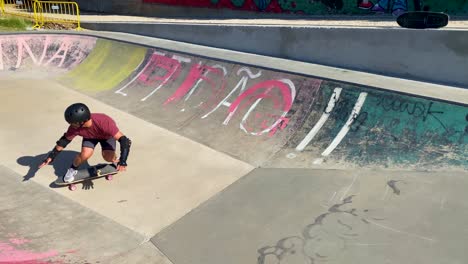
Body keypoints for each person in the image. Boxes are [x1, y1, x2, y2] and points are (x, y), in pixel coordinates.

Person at [39, 103, 132, 183]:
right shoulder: (74, 128)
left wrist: (123, 161)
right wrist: (51, 156)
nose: (70, 125)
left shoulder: (104, 121)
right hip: (90, 138)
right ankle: (72, 170)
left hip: (106, 137)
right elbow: (63, 142)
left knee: (108, 157)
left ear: (82, 121)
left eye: (72, 123)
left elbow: (123, 140)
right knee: (85, 154)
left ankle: (116, 160)